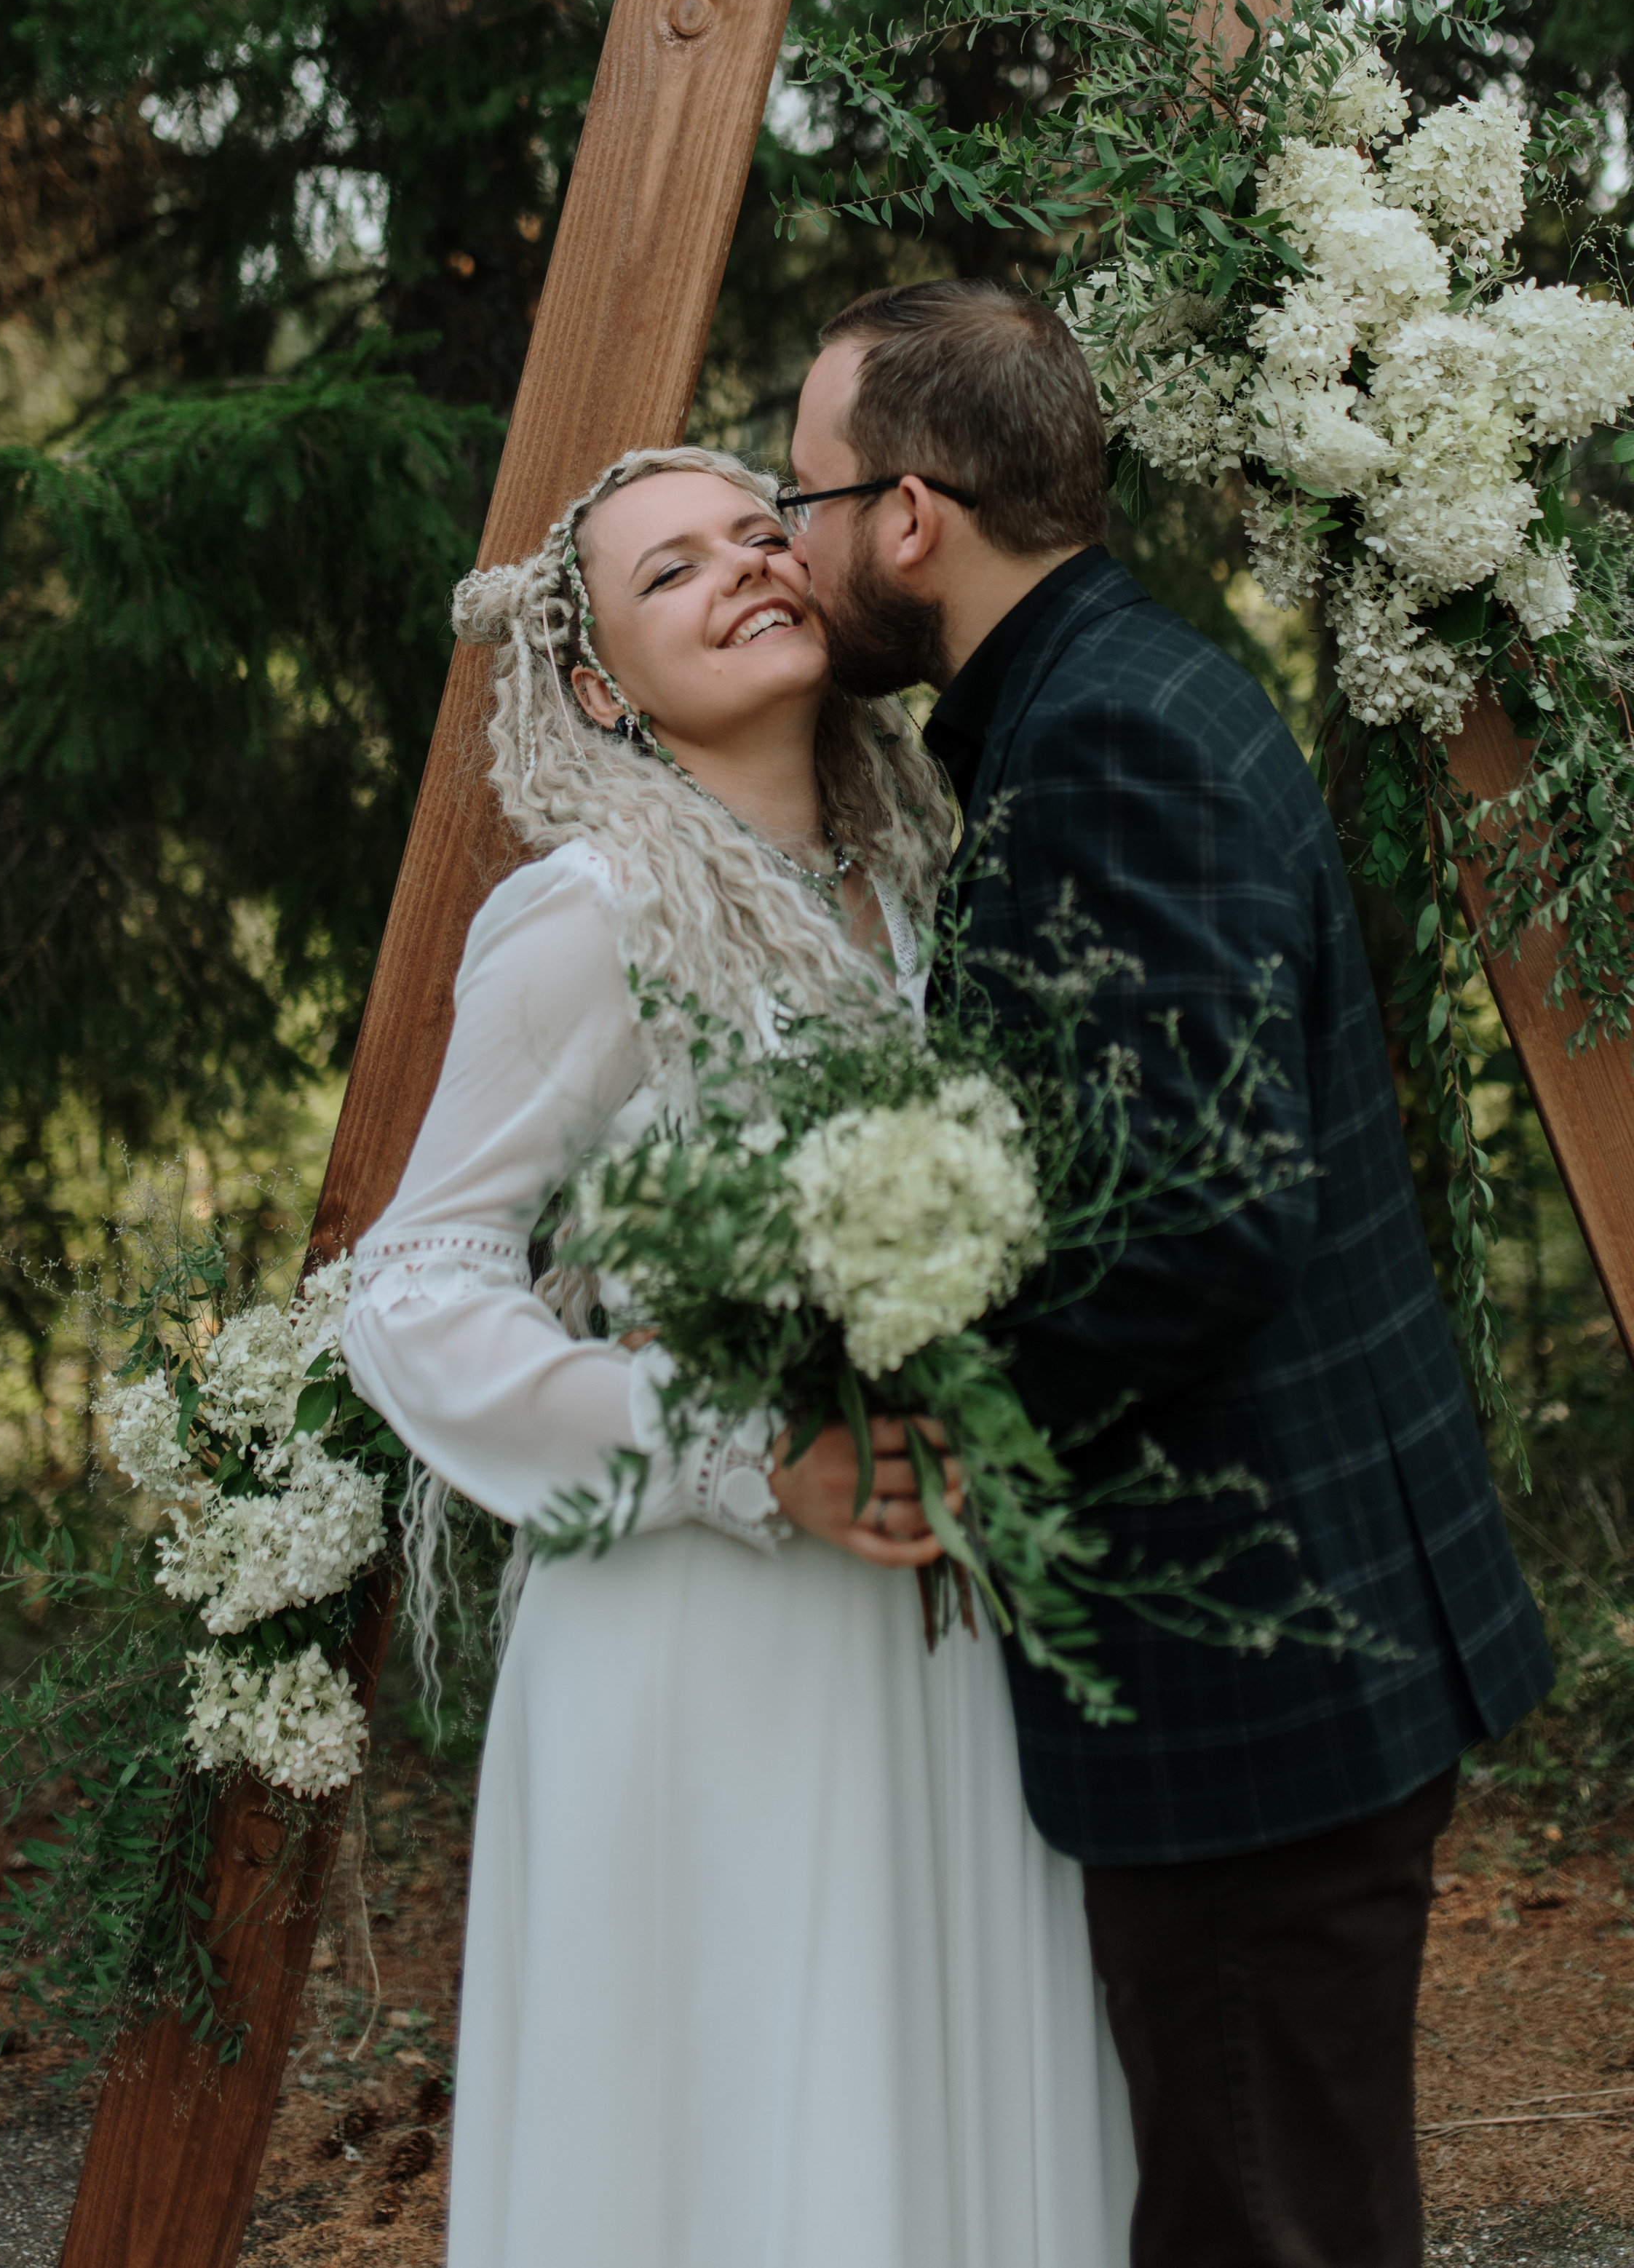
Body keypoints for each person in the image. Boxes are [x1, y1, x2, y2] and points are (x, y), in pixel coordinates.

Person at [786, 279, 1555, 2268]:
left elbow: (1201, 1218)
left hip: (1254, 1664)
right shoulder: (1113, 688)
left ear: (912, 514)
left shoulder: (1105, 737)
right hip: (1297, 1634)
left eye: (801, 497)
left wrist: (938, 1411)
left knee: (1260, 2225)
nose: (788, 548)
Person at [341, 445, 1136, 2268]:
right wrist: (731, 1441)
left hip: (941, 1627)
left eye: (759, 537)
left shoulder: (936, 874)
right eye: (670, 572)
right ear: (601, 685)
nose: (741, 573)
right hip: (706, 1633)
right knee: (748, 2135)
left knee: (937, 2103)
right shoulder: (593, 912)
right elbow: (420, 1282)